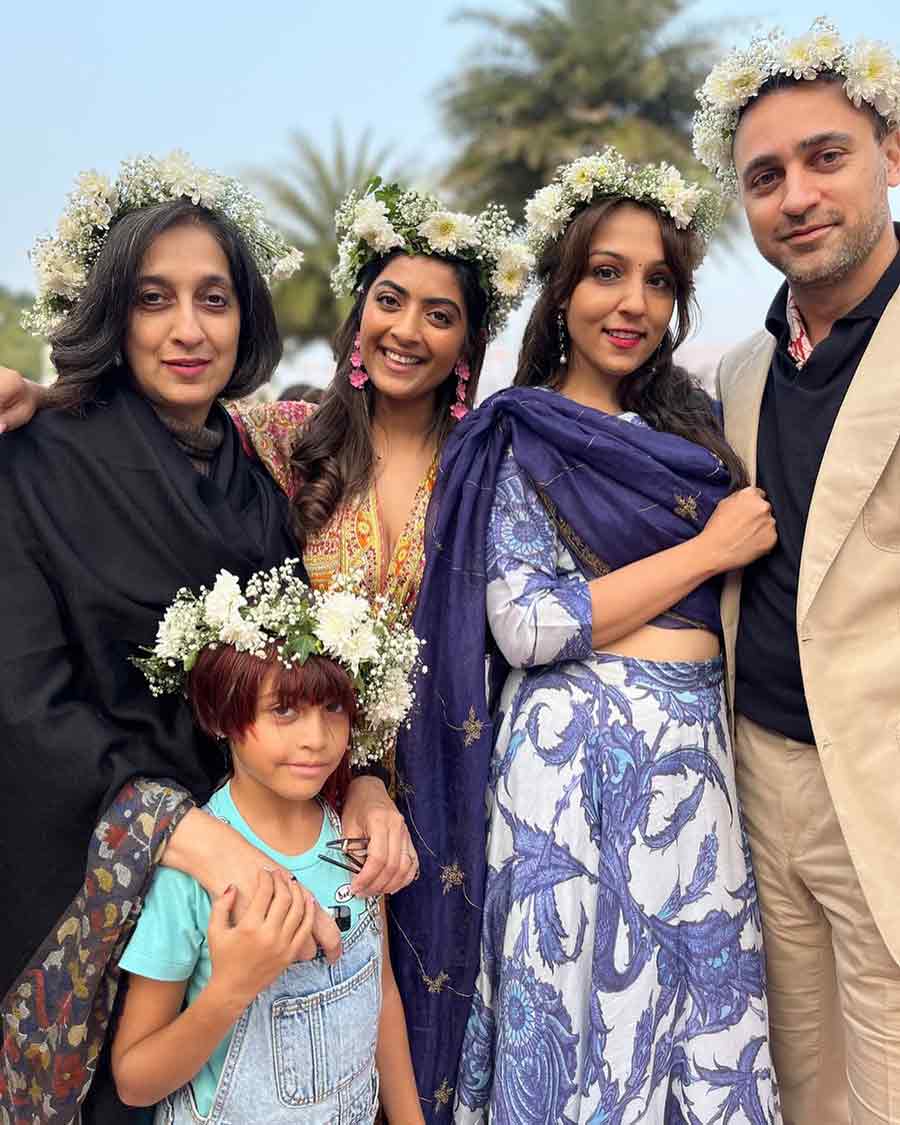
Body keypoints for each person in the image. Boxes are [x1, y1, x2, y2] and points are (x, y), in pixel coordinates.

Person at [0, 153, 412, 1125]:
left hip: (260, 883)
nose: (188, 329)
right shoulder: (39, 460)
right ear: (113, 312)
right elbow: (22, 700)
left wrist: (357, 778)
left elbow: (291, 681)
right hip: (94, 868)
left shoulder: (253, 475)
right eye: (155, 298)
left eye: (214, 299)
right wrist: (188, 841)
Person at [392, 149, 781, 1122]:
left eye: (659, 281)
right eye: (607, 272)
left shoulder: (690, 429)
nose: (633, 302)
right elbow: (527, 626)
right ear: (562, 288)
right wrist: (706, 554)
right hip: (572, 775)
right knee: (579, 1034)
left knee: (699, 1040)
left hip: (694, 771)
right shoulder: (518, 433)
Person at [693, 19, 900, 1124]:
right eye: (766, 176)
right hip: (757, 779)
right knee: (796, 1085)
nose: (798, 196)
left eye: (827, 157)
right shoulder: (742, 371)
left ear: (891, 155)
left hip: (885, 788)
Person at [111, 561, 424, 1124]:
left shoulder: (351, 834)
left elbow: (381, 992)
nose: (317, 738)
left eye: (334, 707)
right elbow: (134, 1081)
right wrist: (231, 989)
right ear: (222, 717)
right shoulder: (192, 873)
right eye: (283, 710)